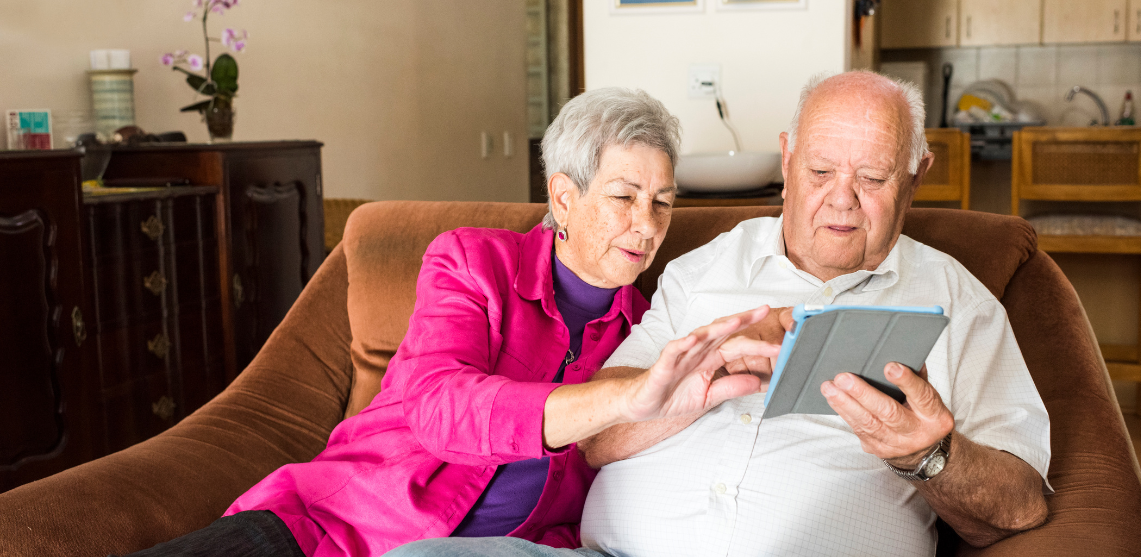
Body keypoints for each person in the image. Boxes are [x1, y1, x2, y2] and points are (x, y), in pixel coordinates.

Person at [388, 71, 1051, 557]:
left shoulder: (958, 301)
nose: (841, 201)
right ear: (788, 160)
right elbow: (598, 435)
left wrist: (932, 457)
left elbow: (1021, 501)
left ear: (916, 175)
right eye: (820, 171)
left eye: (873, 180)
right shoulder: (703, 269)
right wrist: (694, 387)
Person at [122, 87, 779, 557]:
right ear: (563, 196)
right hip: (334, 528)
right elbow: (440, 407)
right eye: (624, 198)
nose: (648, 226)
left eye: (662, 203)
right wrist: (621, 396)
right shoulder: (471, 262)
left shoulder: (647, 329)